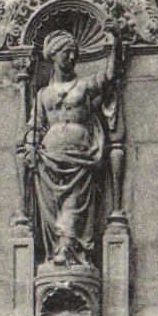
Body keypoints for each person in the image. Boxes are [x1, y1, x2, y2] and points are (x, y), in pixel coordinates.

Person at [20, 29, 118, 268]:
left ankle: (67, 250)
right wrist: (31, 148)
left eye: (74, 52)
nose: (72, 57)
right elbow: (35, 125)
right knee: (53, 209)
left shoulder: (84, 86)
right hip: (49, 159)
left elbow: (109, 76)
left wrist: (115, 44)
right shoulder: (43, 94)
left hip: (80, 157)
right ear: (53, 55)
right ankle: (57, 250)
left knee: (75, 203)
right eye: (66, 52)